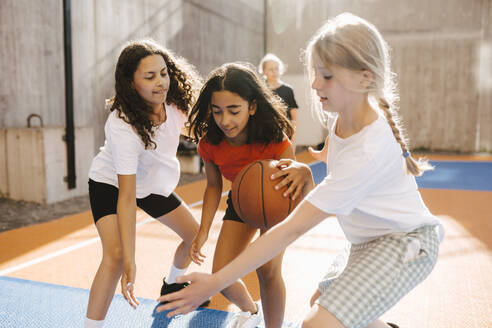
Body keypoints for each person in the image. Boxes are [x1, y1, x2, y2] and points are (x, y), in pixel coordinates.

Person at [157, 13, 445, 328]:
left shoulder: (369, 148)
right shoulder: (344, 121)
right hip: (367, 240)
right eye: (315, 73)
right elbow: (336, 163)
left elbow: (292, 228)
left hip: (405, 244)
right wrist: (309, 171)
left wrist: (213, 283)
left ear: (365, 78)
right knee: (320, 306)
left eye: (327, 76)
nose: (314, 83)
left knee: (316, 324)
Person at [183, 62, 313, 328]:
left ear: (252, 107)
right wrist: (203, 230)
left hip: (277, 199)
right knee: (220, 273)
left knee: (267, 269)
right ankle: (250, 310)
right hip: (241, 202)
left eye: (234, 110)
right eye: (217, 111)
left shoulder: (275, 139)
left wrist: (303, 177)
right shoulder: (210, 142)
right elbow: (213, 186)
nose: (225, 120)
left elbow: (291, 187)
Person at [85, 39, 203, 328]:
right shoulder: (122, 125)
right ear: (130, 82)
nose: (160, 82)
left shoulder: (174, 105)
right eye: (149, 77)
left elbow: (198, 130)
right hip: (111, 184)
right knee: (114, 256)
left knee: (195, 237)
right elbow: (126, 197)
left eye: (163, 73)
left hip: (151, 185)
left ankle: (172, 285)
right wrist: (131, 262)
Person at [259, 53, 300, 146]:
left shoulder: (288, 90)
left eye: (276, 68)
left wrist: (292, 140)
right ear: (263, 71)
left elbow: (294, 118)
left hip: (285, 136)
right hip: (265, 137)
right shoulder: (260, 90)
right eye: (270, 69)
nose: (274, 72)